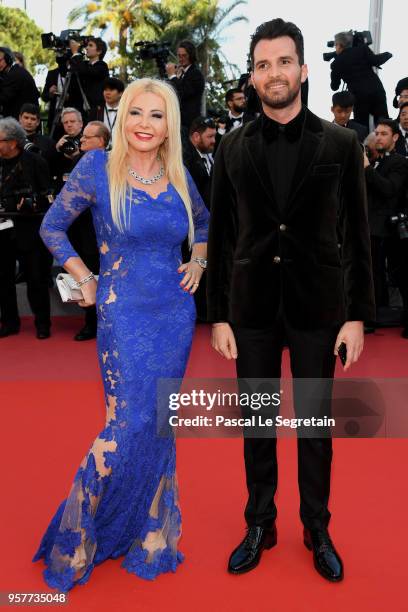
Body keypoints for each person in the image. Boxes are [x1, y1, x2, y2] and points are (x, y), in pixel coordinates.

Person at [207, 18, 375, 582]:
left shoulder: (341, 142)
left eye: (283, 62)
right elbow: (222, 236)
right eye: (262, 65)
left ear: (302, 69)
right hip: (251, 310)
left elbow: (357, 232)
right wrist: (219, 316)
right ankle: (260, 522)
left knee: (314, 426)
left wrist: (356, 315)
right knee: (256, 424)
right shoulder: (231, 147)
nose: (273, 73)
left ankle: (316, 526)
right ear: (252, 78)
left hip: (318, 310)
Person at [32, 78, 209, 591]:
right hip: (122, 313)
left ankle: (150, 532)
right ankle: (78, 535)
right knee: (125, 425)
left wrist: (198, 258)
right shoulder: (96, 168)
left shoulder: (179, 174)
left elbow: (204, 220)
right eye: (136, 113)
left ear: (169, 124)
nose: (145, 125)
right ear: (121, 117)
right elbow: (51, 227)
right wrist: (84, 276)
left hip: (174, 316)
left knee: (158, 422)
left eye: (157, 116)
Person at [0, 118, 52, 339]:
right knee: (3, 279)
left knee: (35, 279)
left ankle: (43, 323)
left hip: (29, 230)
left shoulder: (35, 162)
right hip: (2, 230)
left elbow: (50, 195)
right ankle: (10, 322)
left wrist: (33, 203)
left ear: (13, 142)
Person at [364, 119, 408, 335]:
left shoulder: (400, 162)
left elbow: (389, 189)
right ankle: (374, 318)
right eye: (377, 133)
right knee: (372, 274)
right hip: (370, 227)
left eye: (383, 134)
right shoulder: (374, 163)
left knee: (396, 275)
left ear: (395, 138)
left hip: (389, 229)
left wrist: (366, 170)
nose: (378, 137)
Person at [330, 31, 391, 128]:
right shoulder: (362, 49)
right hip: (376, 91)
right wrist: (388, 54)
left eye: (335, 45)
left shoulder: (336, 63)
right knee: (384, 125)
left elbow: (334, 86)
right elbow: (376, 60)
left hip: (359, 98)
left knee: (361, 128)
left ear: (339, 45)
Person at [166, 40, 205, 131]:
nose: (181, 59)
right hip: (178, 122)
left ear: (191, 55)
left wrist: (172, 76)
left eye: (184, 55)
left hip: (189, 124)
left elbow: (183, 92)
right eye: (179, 56)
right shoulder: (181, 73)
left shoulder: (196, 74)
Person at [0, 47, 39, 119]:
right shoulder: (16, 71)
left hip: (21, 124)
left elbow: (3, 98)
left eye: (0, 60)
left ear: (8, 59)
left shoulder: (15, 74)